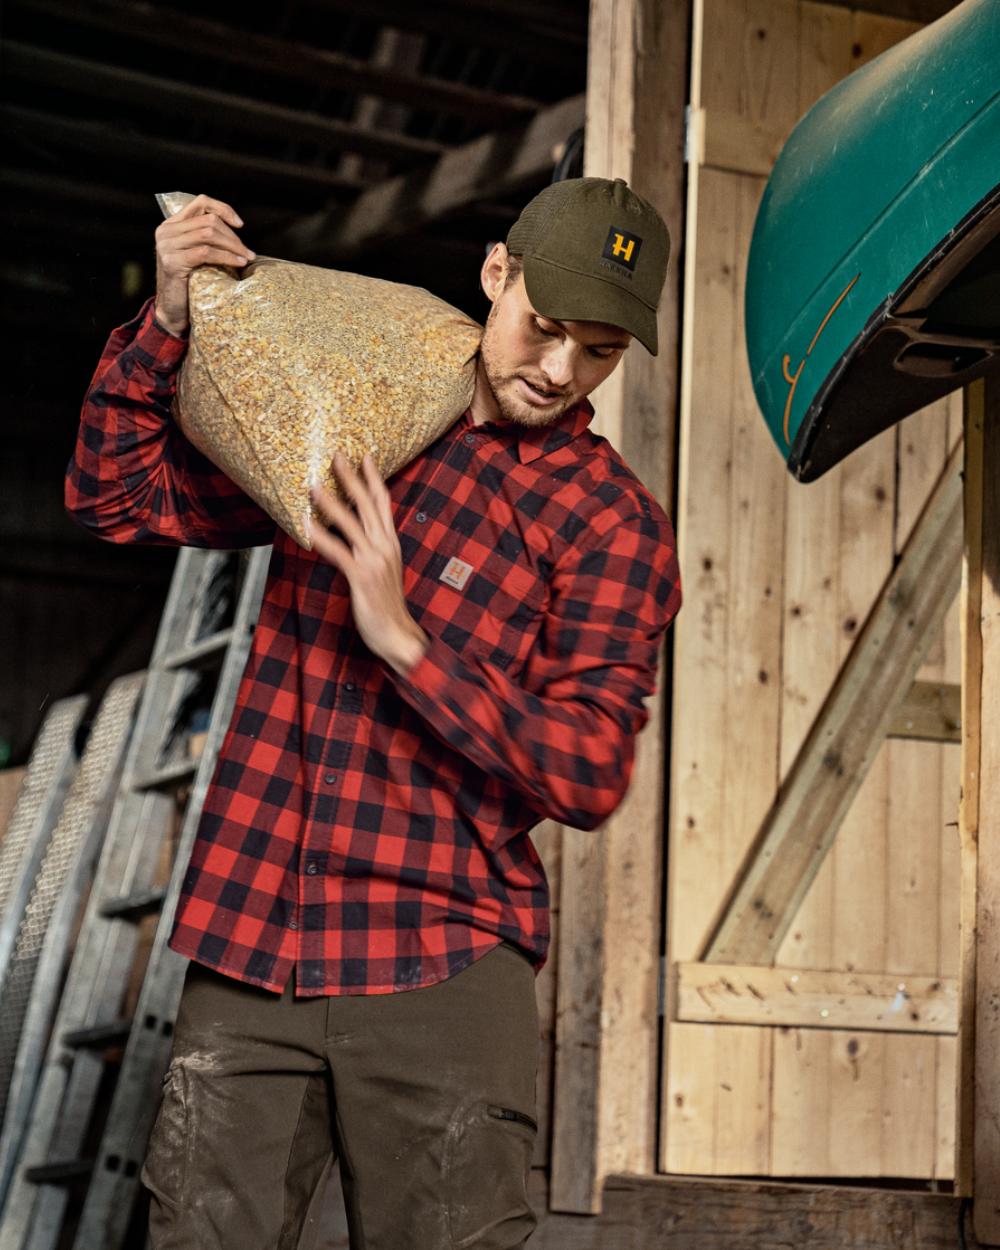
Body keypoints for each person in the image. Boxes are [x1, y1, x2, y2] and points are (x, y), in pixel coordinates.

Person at [66, 176, 682, 1250]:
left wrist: (404, 637)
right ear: (498, 274)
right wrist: (164, 321)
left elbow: (589, 767)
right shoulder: (356, 416)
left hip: (440, 958)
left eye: (597, 351)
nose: (557, 370)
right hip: (251, 938)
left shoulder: (611, 523)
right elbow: (116, 497)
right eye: (543, 328)